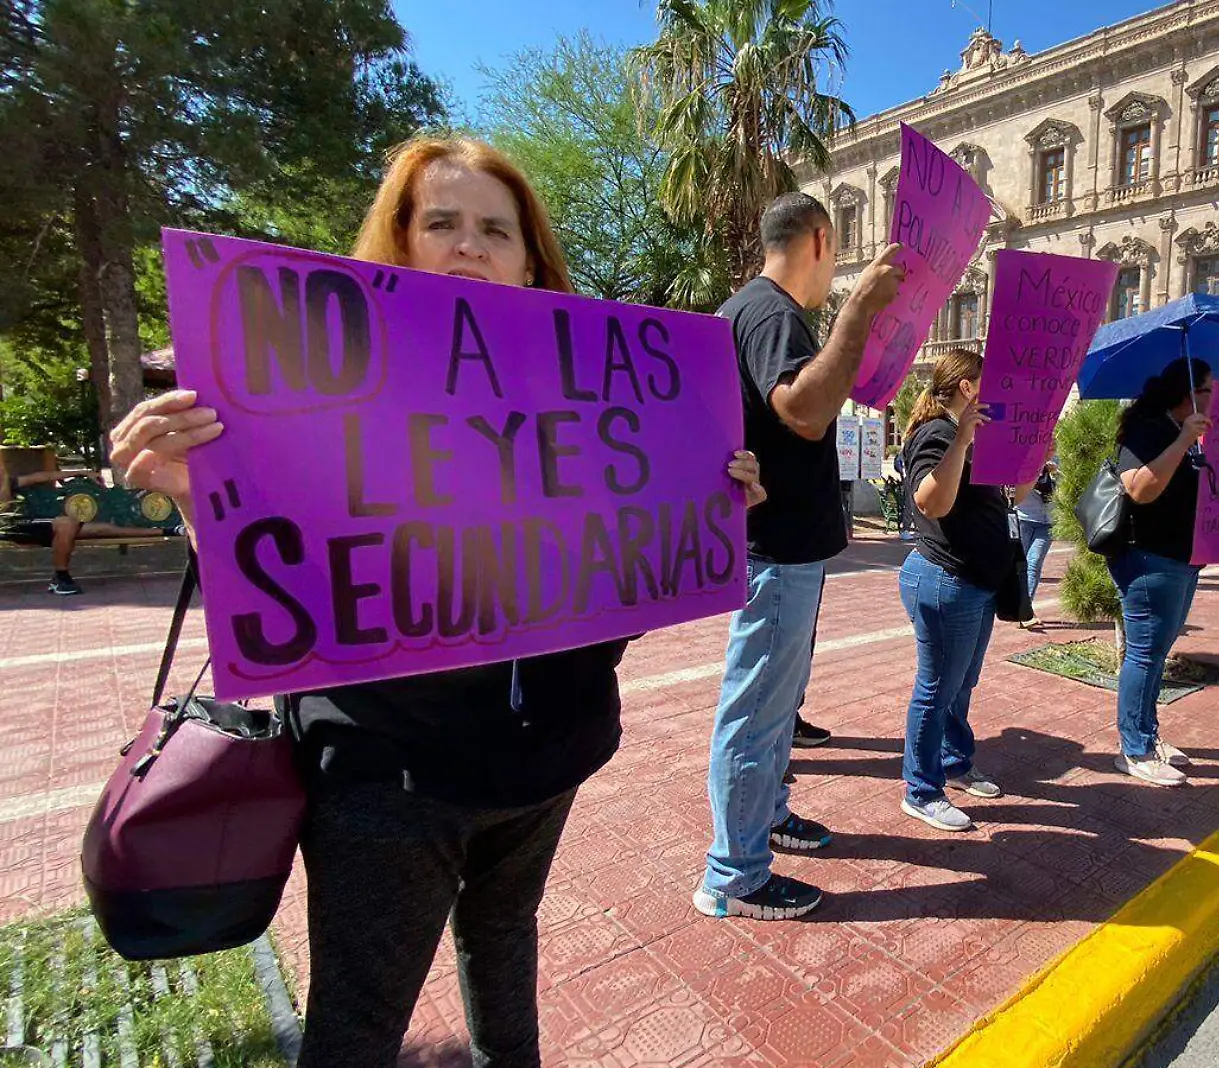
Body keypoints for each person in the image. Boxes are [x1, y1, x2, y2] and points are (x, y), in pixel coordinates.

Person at [107, 135, 766, 1068]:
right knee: (361, 1023)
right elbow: (284, 575)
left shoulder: (586, 404)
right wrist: (194, 495)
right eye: (442, 223)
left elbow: (617, 599)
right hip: (390, 775)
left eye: (495, 230)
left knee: (505, 946)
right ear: (400, 243)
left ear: (532, 260)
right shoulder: (315, 390)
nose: (469, 246)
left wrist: (699, 508)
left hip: (548, 758)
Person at [696, 194, 904, 922]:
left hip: (781, 548)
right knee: (756, 709)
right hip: (776, 551)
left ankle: (766, 818)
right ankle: (734, 871)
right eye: (838, 250)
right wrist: (862, 312)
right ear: (821, 239)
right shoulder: (773, 313)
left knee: (773, 708)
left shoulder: (746, 310)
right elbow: (805, 412)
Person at [894, 350, 1012, 832]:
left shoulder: (968, 437)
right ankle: (921, 790)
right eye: (989, 380)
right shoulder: (938, 434)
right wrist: (963, 438)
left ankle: (955, 761)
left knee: (960, 684)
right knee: (936, 690)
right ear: (968, 387)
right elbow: (930, 501)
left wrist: (1027, 450)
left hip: (974, 582)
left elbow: (1014, 498)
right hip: (945, 580)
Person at [1105, 358, 1212, 786]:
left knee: (1157, 654)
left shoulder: (1189, 434)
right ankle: (1133, 748)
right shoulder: (1149, 428)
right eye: (1207, 389)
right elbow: (1140, 489)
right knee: (1145, 653)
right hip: (1148, 557)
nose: (1213, 397)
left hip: (1182, 557)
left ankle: (1148, 735)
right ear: (1187, 392)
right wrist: (1184, 440)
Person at [1, 468, 175, 595]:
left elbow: (43, 475)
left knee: (102, 529)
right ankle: (61, 577)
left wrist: (80, 472)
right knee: (67, 523)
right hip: (15, 527)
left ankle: (169, 530)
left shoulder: (10, 482)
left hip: (32, 526)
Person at [1011, 458, 1058, 630]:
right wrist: (1034, 470)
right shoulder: (1025, 456)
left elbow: (1073, 485)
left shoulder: (1059, 458)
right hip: (1024, 517)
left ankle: (1025, 611)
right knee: (1019, 565)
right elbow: (1012, 486)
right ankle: (1013, 605)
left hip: (1049, 521)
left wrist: (1056, 472)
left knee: (1034, 563)